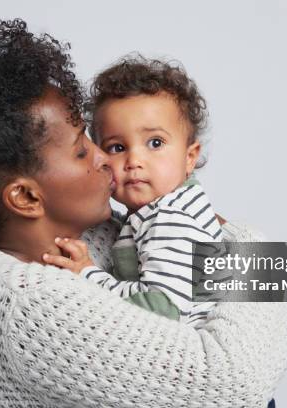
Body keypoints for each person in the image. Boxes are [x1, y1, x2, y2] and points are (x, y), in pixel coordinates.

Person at [0, 19, 287, 407]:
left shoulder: (92, 231)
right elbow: (233, 383)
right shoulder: (31, 307)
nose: (107, 160)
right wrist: (256, 250)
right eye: (81, 149)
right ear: (26, 198)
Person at [43, 56, 223, 328]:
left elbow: (162, 309)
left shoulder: (169, 220)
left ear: (190, 157)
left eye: (155, 142)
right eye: (117, 147)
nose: (134, 160)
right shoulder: (155, 212)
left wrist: (89, 275)